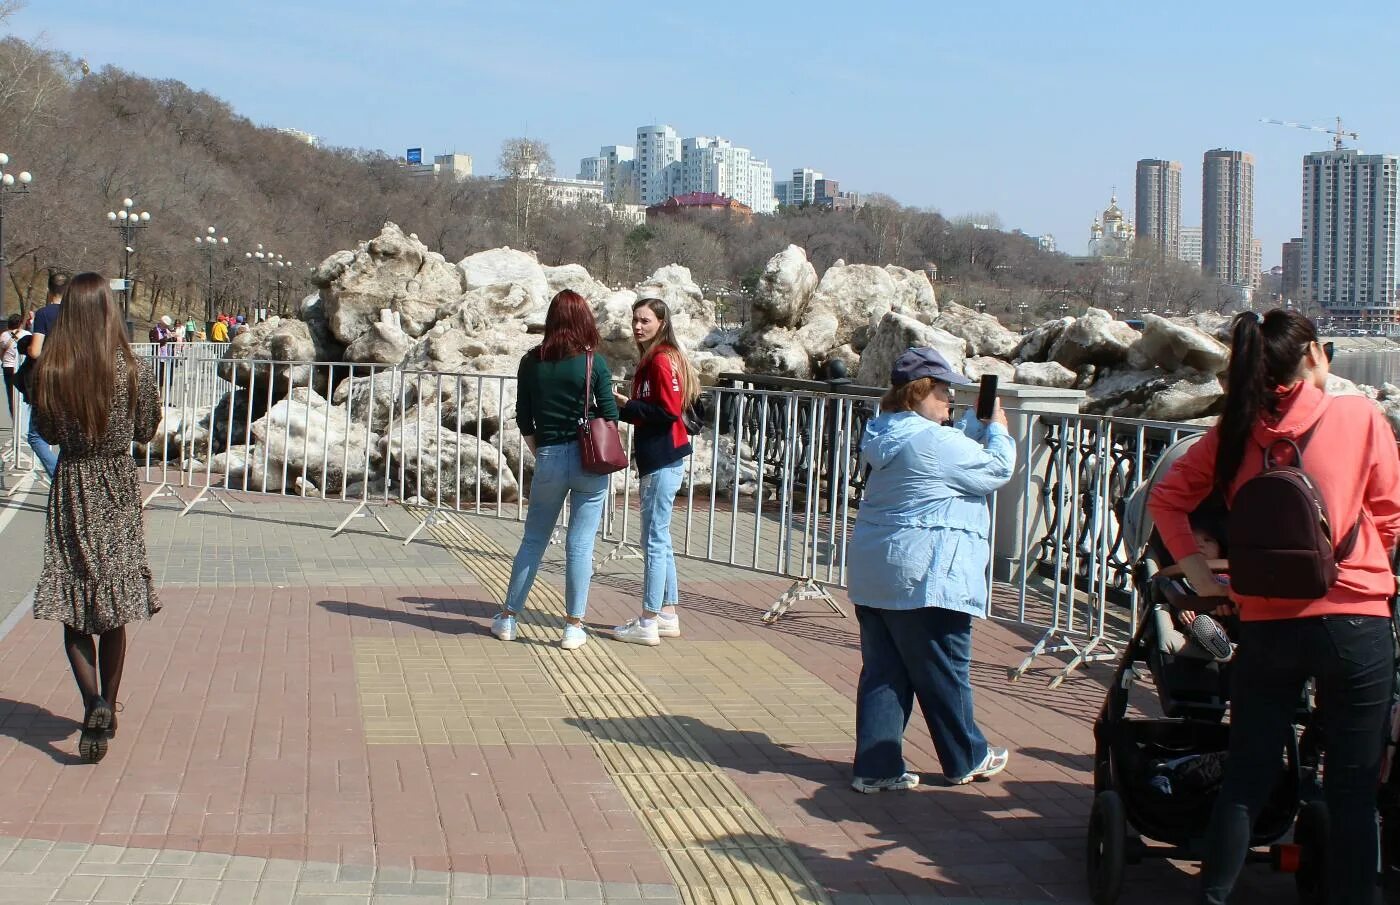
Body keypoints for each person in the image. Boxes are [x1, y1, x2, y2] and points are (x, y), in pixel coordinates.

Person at [1147, 310, 1400, 905]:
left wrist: (1205, 577)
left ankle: (1213, 895)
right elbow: (1389, 513)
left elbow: (1167, 498)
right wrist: (1365, 568)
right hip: (1355, 618)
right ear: (1312, 353)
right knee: (1353, 790)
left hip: (1264, 619)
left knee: (1246, 778)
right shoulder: (1359, 416)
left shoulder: (1234, 430)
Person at [846, 347, 1016, 792]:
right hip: (926, 575)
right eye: (943, 391)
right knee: (944, 668)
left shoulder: (886, 432)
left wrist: (971, 428)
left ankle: (877, 768)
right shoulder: (934, 442)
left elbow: (942, 451)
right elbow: (996, 469)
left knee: (885, 673)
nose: (949, 400)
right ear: (919, 392)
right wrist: (997, 430)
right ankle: (968, 757)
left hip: (876, 574)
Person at [29, 273, 161, 764]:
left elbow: (46, 430)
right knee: (113, 603)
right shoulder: (132, 369)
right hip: (116, 488)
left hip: (73, 486)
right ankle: (105, 710)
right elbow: (146, 429)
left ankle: (93, 704)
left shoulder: (52, 371)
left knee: (75, 601)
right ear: (108, 310)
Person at [492, 290, 618, 650]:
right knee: (580, 545)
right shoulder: (594, 362)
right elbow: (608, 413)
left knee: (533, 540)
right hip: (589, 461)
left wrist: (542, 449)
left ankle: (509, 617)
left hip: (549, 456)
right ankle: (573, 626)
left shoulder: (531, 361)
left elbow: (523, 415)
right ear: (584, 320)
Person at [611, 298, 699, 646]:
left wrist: (626, 405)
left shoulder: (662, 360)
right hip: (659, 455)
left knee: (654, 541)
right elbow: (653, 410)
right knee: (660, 540)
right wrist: (625, 409)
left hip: (663, 456)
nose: (637, 326)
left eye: (645, 320)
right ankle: (667, 614)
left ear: (661, 323)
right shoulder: (657, 358)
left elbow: (666, 411)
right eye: (634, 319)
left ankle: (648, 620)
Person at [23, 272, 69, 478]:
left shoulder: (44, 314)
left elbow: (35, 350)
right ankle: (69, 477)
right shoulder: (75, 314)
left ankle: (58, 476)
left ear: (50, 291)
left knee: (35, 435)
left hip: (48, 379)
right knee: (68, 432)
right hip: (72, 377)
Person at [1, 313, 29, 417]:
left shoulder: (4, 335)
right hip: (22, 367)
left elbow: (1, 352)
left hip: (8, 366)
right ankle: (22, 419)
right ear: (20, 323)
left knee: (10, 394)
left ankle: (14, 418)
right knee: (23, 394)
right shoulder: (27, 334)